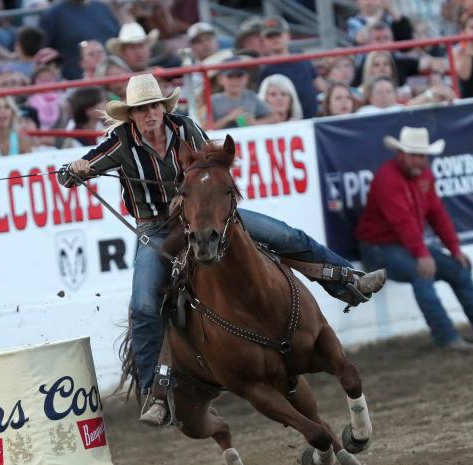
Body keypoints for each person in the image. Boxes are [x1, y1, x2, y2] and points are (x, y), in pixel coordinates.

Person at [58, 74, 384, 426]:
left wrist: (193, 200)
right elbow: (73, 172)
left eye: (154, 106)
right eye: (141, 109)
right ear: (131, 115)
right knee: (143, 305)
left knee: (288, 237)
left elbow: (211, 166)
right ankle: (156, 392)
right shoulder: (120, 142)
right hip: (155, 227)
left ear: (161, 107)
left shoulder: (186, 128)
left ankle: (347, 281)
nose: (150, 113)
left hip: (205, 214)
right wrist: (75, 170)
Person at [356, 127, 473, 352]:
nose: (418, 160)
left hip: (403, 245)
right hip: (378, 249)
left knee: (459, 269)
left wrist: (454, 249)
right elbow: (402, 221)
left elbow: (438, 215)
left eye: (422, 156)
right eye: (413, 155)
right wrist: (422, 254)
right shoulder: (386, 179)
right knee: (421, 272)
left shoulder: (424, 176)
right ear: (401, 154)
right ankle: (447, 338)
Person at [39, 0, 121, 80]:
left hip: (113, 81)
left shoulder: (103, 8)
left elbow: (117, 40)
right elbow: (45, 55)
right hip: (76, 85)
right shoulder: (52, 15)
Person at [258, 16, 319, 119]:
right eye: (270, 37)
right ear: (264, 42)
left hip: (312, 118)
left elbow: (317, 82)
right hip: (287, 123)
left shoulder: (301, 56)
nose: (275, 39)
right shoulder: (264, 69)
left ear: (288, 35)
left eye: (278, 35)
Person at [209, 59, 278, 129]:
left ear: (246, 78)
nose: (235, 81)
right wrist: (229, 118)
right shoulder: (213, 101)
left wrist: (255, 123)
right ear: (220, 79)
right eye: (230, 76)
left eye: (239, 76)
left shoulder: (250, 96)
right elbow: (205, 128)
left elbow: (275, 117)